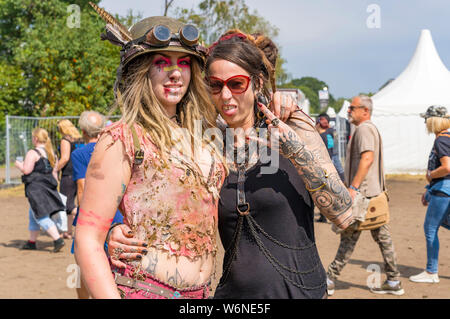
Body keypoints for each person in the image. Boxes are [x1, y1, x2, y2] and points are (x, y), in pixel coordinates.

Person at [108, 29, 355, 299]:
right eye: (216, 85)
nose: (226, 95)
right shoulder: (205, 145)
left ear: (257, 83)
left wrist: (295, 150)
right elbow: (160, 198)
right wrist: (116, 230)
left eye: (236, 84)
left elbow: (343, 213)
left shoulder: (292, 125)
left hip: (300, 293)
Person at [75, 6, 227, 299]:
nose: (174, 73)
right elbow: (87, 238)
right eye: (161, 62)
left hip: (202, 295)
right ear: (140, 71)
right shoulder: (122, 137)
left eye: (183, 63)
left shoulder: (205, 135)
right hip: (143, 291)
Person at [326, 95, 404, 296]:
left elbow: (367, 158)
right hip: (372, 195)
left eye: (352, 108)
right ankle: (394, 280)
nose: (349, 111)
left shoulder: (364, 129)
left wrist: (353, 187)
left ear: (365, 111)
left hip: (365, 197)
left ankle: (329, 279)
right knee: (382, 238)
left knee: (348, 237)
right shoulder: (367, 128)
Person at [70, 110, 124, 299]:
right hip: (117, 214)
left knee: (82, 267)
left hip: (92, 217)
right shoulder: (115, 148)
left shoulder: (79, 154)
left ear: (83, 132)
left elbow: (82, 187)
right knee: (115, 266)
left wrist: (78, 214)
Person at [409, 106, 450, 284]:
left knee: (430, 228)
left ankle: (431, 271)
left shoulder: (441, 140)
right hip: (441, 188)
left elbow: (447, 168)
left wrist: (430, 176)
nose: (425, 123)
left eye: (426, 120)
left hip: (443, 189)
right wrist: (429, 188)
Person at [15, 128, 66, 252]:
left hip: (36, 189)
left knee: (40, 215)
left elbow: (27, 170)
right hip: (48, 187)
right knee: (33, 214)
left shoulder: (33, 153)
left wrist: (18, 165)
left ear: (36, 138)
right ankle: (32, 242)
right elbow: (54, 172)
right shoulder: (51, 153)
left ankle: (57, 239)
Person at [56, 119, 84, 239]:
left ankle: (84, 218)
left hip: (68, 174)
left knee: (68, 205)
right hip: (81, 173)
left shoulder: (65, 140)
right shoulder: (81, 140)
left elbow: (65, 158)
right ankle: (68, 231)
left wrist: (54, 169)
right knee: (74, 202)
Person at [316, 113, 345, 223]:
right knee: (323, 188)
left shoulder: (330, 131)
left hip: (332, 159)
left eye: (324, 120)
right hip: (324, 161)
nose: (322, 122)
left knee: (335, 184)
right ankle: (324, 216)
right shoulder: (319, 132)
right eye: (321, 120)